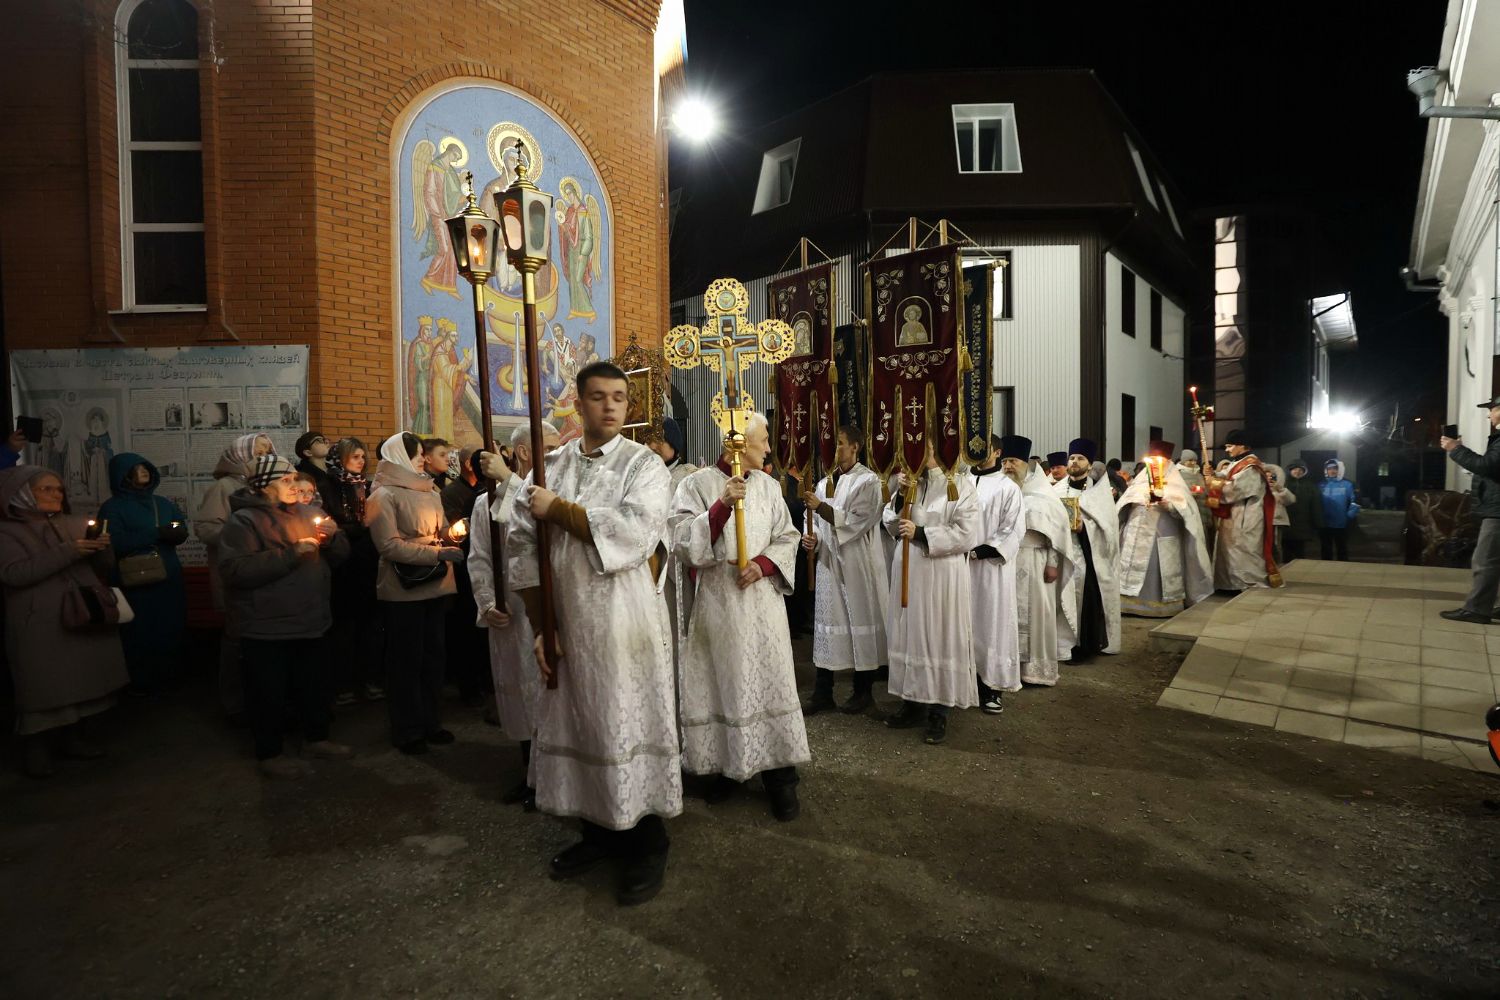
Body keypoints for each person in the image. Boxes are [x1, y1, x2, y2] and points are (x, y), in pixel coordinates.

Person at [510, 361, 680, 906]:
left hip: (622, 625)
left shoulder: (644, 466)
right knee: (584, 726)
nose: (610, 407)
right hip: (567, 625)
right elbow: (521, 546)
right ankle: (599, 834)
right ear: (578, 403)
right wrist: (541, 627)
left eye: (619, 398)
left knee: (623, 725)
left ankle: (646, 844)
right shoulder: (551, 464)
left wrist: (557, 509)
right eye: (598, 397)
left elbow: (634, 533)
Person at [672, 412, 809, 819]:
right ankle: (727, 769)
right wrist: (722, 506)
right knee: (723, 683)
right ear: (737, 442)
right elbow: (680, 539)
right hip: (718, 601)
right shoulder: (695, 485)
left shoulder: (768, 486)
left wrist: (765, 564)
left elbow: (788, 535)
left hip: (762, 606)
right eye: (763, 440)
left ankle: (780, 777)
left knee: (770, 683)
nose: (768, 449)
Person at [219, 455, 352, 778]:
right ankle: (270, 752)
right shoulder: (244, 521)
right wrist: (291, 554)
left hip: (312, 618)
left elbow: (341, 555)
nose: (294, 485)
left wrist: (333, 538)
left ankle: (316, 738)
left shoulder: (311, 512)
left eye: (294, 478)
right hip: (267, 625)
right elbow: (235, 570)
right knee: (268, 692)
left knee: (314, 685)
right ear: (264, 486)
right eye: (285, 480)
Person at [0, 466, 128, 777]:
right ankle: (37, 749)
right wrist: (69, 551)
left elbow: (103, 567)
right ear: (21, 494)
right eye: (46, 489)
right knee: (44, 685)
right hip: (39, 621)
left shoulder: (70, 523)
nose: (57, 494)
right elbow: (14, 574)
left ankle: (74, 738)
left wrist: (102, 548)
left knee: (82, 677)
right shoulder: (6, 532)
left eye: (58, 489)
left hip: (81, 613)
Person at [468, 421, 560, 809]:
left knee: (552, 695)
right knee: (522, 696)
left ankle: (556, 777)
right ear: (525, 452)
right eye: (550, 447)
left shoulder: (554, 495)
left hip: (551, 609)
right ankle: (529, 774)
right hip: (512, 611)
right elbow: (480, 556)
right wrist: (487, 601)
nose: (557, 454)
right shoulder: (485, 502)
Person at [366, 432, 464, 754]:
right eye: (418, 453)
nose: (423, 459)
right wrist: (436, 554)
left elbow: (438, 532)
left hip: (436, 584)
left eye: (423, 453)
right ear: (399, 456)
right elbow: (388, 546)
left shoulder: (430, 489)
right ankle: (407, 729)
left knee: (434, 659)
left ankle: (431, 722)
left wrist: (453, 535)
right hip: (404, 588)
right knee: (406, 662)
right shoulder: (382, 495)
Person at [881, 441, 981, 746]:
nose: (914, 453)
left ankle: (939, 709)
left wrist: (922, 533)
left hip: (941, 574)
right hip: (909, 570)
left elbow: (967, 533)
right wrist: (900, 496)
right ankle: (912, 701)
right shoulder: (911, 482)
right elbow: (888, 521)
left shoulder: (960, 485)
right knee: (910, 634)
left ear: (937, 449)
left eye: (921, 446)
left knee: (939, 636)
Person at [800, 425, 889, 716]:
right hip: (828, 562)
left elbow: (859, 520)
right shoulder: (826, 481)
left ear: (855, 446)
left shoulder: (868, 481)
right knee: (827, 627)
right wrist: (810, 538)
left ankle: (863, 692)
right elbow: (810, 518)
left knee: (860, 622)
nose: (835, 449)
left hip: (856, 564)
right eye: (832, 444)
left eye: (839, 444)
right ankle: (823, 691)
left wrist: (821, 509)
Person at [195, 432, 275, 718]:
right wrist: (246, 534)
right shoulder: (225, 487)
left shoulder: (265, 487)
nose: (263, 458)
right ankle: (235, 705)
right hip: (235, 571)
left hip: (262, 570)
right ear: (241, 455)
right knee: (237, 640)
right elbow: (205, 529)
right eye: (258, 453)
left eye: (267, 452)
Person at [99, 453, 189, 694]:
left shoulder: (162, 503)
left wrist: (173, 530)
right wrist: (156, 533)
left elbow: (178, 524)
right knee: (138, 633)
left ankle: (169, 680)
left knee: (170, 628)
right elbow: (114, 543)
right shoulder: (112, 507)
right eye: (136, 468)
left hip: (168, 578)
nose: (143, 471)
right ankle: (140, 684)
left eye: (145, 467)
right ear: (123, 475)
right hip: (134, 582)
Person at [1005, 444, 1077, 687]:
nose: (1008, 466)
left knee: (1038, 615)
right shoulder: (1005, 490)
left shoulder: (1044, 494)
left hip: (1037, 561)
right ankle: (1009, 668)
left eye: (1013, 460)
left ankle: (1035, 671)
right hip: (1008, 561)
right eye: (1005, 461)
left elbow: (1056, 535)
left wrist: (1053, 564)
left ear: (1026, 464)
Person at [1117, 441, 1214, 618]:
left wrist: (1169, 505)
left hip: (1163, 532)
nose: (1155, 464)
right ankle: (1128, 603)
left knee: (1158, 568)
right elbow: (1124, 503)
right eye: (1152, 460)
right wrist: (1134, 502)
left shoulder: (1176, 483)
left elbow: (1188, 511)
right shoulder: (1139, 481)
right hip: (1136, 532)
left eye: (1159, 461)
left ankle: (1160, 606)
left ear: (1167, 463)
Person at [320, 437, 384, 705]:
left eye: (362, 457)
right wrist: (361, 527)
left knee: (369, 626)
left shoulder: (368, 487)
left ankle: (369, 679)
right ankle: (343, 683)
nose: (360, 461)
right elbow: (328, 525)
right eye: (354, 456)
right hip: (343, 564)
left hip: (368, 562)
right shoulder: (327, 487)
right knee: (344, 627)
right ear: (340, 458)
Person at [970, 433, 1024, 713]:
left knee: (989, 624)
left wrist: (980, 551)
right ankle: (961, 683)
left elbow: (1013, 529)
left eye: (983, 448)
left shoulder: (1007, 488)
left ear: (997, 452)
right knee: (961, 624)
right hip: (957, 568)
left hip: (990, 570)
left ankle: (990, 687)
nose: (976, 452)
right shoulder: (959, 482)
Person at [1052, 438, 1120, 662]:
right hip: (1061, 552)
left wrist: (1084, 528)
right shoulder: (1055, 490)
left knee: (1084, 599)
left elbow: (1108, 530)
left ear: (1089, 465)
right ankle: (1061, 645)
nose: (1074, 462)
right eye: (1071, 458)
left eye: (1080, 458)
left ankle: (1083, 645)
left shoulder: (1098, 494)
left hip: (1087, 555)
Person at [1441, 399, 1500, 622]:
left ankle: (1477, 609)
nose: (1489, 416)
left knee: (1485, 560)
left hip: (1497, 511)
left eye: (1492, 410)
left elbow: (1488, 466)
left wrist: (1456, 449)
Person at [441, 446, 488, 709]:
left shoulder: (485, 489)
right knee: (466, 631)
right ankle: (469, 687)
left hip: (483, 567)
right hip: (465, 568)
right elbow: (453, 532)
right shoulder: (453, 494)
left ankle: (484, 681)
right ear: (471, 464)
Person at [1207, 429, 1278, 591]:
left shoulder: (1251, 467)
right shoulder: (1238, 463)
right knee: (1231, 549)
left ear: (1242, 446)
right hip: (1235, 514)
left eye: (1230, 446)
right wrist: (1213, 474)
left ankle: (1247, 583)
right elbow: (1226, 475)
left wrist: (1213, 483)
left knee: (1244, 549)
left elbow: (1236, 489)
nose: (1227, 450)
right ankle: (1228, 584)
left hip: (1247, 515)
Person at [1282, 460, 1324, 562]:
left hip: (1302, 523)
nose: (1298, 471)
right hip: (1285, 522)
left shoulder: (1310, 486)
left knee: (1299, 551)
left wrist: (1318, 523)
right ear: (1290, 470)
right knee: (1285, 550)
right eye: (1295, 469)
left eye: (1301, 470)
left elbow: (1316, 505)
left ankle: (1298, 570)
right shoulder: (1283, 484)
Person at [1318, 459, 1357, 561]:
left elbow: (1355, 501)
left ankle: (1342, 568)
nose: (1332, 471)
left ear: (1340, 470)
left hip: (1341, 523)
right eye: (1329, 469)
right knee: (1326, 549)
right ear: (1326, 470)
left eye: (1335, 468)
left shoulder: (1347, 485)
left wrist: (1348, 516)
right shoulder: (1321, 485)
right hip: (1325, 523)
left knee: (1342, 548)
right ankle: (1326, 569)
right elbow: (1316, 503)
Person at [1176, 449, 1215, 543]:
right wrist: (1189, 494)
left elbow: (1206, 492)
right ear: (1183, 461)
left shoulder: (1199, 475)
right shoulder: (1177, 475)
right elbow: (1176, 494)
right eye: (1190, 460)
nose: (1193, 463)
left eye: (1195, 460)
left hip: (1202, 512)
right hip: (1187, 515)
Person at [648, 417, 698, 491]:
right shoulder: (645, 474)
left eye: (659, 440)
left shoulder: (689, 476)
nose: (652, 446)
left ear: (674, 444)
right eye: (649, 440)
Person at [1265, 463, 1294, 563]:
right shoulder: (1260, 489)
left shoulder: (1280, 490)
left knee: (1275, 545)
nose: (1269, 478)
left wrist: (1280, 488)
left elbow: (1291, 500)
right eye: (1266, 476)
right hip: (1262, 520)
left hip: (1276, 521)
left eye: (1272, 476)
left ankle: (1278, 565)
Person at [293, 432, 333, 502]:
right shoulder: (301, 475)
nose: (326, 443)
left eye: (324, 440)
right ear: (308, 452)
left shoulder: (335, 470)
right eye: (319, 441)